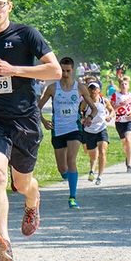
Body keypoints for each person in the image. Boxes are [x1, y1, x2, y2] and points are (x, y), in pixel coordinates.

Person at [0, 0, 62, 261]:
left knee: (22, 184)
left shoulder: (26, 34)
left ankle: (33, 202)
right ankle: (3, 240)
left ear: (9, 6)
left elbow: (55, 71)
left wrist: (15, 70)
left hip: (25, 119)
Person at [39, 56, 92, 208]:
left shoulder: (80, 87)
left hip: (74, 128)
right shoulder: (52, 88)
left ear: (73, 70)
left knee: (71, 160)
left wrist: (89, 117)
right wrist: (43, 121)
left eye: (68, 71)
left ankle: (72, 197)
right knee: (62, 168)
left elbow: (93, 108)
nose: (65, 73)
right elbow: (37, 108)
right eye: (62, 70)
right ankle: (69, 178)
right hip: (58, 130)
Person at [80, 81, 112, 184]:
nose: (93, 91)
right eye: (91, 89)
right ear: (88, 90)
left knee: (102, 151)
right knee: (93, 155)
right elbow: (80, 113)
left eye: (95, 89)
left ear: (99, 90)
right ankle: (92, 170)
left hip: (102, 128)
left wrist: (109, 116)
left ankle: (100, 176)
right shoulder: (85, 102)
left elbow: (112, 110)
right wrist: (83, 119)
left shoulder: (104, 101)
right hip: (89, 130)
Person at [109, 75, 131, 173]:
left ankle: (129, 164)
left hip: (129, 119)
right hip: (119, 120)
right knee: (124, 143)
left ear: (128, 86)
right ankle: (128, 155)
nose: (124, 85)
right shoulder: (115, 95)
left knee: (128, 140)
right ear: (119, 86)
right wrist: (118, 106)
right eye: (122, 84)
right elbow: (111, 108)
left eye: (125, 84)